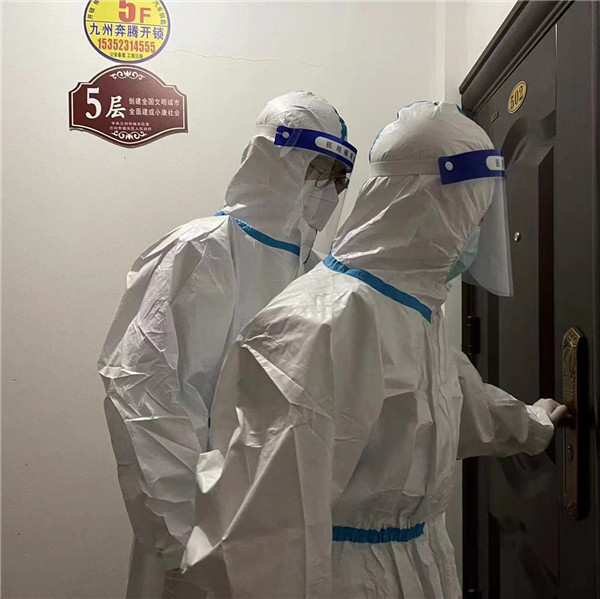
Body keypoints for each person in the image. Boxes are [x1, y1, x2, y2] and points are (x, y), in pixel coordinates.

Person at [181, 101, 567, 598]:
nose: (475, 232)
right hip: (337, 578)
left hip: (417, 562)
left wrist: (534, 425)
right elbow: (264, 532)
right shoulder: (321, 322)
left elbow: (453, 406)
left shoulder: (411, 311)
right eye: (472, 209)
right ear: (427, 202)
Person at [98, 91, 356, 599]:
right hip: (199, 533)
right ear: (271, 158)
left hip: (289, 530)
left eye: (337, 177)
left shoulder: (317, 274)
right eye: (316, 168)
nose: (325, 188)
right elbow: (144, 392)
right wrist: (188, 530)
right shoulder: (200, 250)